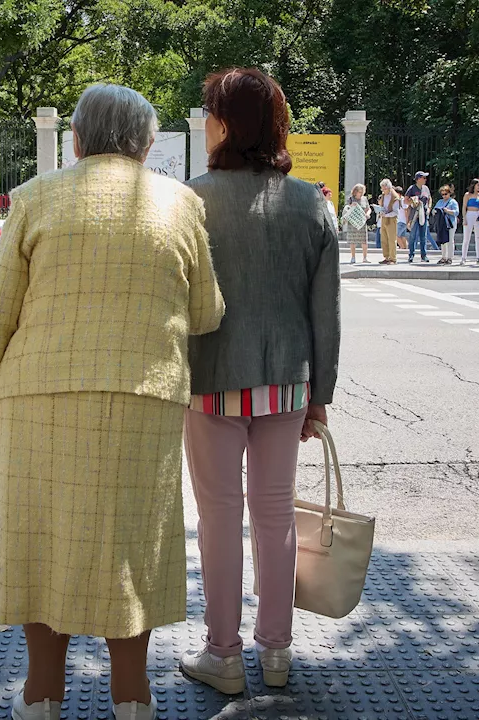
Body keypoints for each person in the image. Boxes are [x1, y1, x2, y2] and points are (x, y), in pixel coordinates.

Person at [0, 83, 225, 720]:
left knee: (40, 544)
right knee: (128, 548)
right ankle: (133, 701)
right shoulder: (181, 204)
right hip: (143, 401)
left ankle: (40, 699)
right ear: (144, 145)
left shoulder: (34, 199)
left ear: (76, 140)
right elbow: (204, 312)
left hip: (37, 399)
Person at [181, 66, 340, 696]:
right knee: (275, 517)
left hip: (211, 380)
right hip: (286, 383)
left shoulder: (191, 201)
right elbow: (323, 313)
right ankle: (277, 651)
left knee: (219, 518)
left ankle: (223, 654)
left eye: (210, 113)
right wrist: (320, 396)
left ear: (224, 125)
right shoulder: (310, 204)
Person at [459, 178, 479, 264]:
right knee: (466, 237)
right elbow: (464, 207)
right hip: (470, 214)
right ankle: (463, 257)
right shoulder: (468, 195)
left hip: (478, 214)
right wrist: (464, 218)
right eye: (478, 185)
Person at [407, 171, 432, 262]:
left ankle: (424, 255)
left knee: (423, 236)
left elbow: (429, 199)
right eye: (423, 178)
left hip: (424, 214)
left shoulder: (426, 188)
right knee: (413, 236)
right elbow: (406, 200)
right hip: (414, 215)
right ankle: (411, 255)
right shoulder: (412, 188)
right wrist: (413, 200)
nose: (425, 179)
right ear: (418, 179)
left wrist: (429, 208)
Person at [343, 184, 371, 264]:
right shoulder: (350, 199)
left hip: (362, 222)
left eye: (362, 191)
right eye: (359, 191)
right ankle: (353, 257)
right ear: (355, 192)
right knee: (352, 241)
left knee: (364, 241)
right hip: (352, 223)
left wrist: (368, 214)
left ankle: (365, 258)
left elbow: (368, 209)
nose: (361, 193)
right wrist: (351, 205)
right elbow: (346, 209)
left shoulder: (364, 199)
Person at [432, 185, 458, 265]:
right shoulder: (440, 202)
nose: (444, 196)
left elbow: (456, 212)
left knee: (450, 240)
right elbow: (434, 210)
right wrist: (434, 211)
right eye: (442, 194)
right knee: (442, 241)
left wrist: (447, 211)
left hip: (450, 223)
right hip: (441, 223)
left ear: (449, 193)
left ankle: (450, 258)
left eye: (445, 194)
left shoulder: (453, 202)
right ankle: (443, 257)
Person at [377, 179, 398, 264]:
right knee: (384, 239)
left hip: (392, 219)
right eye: (382, 189)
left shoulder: (394, 196)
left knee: (392, 239)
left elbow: (396, 212)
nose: (383, 190)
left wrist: (386, 214)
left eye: (384, 189)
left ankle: (393, 258)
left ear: (389, 188)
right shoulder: (383, 196)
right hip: (384, 219)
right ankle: (386, 257)